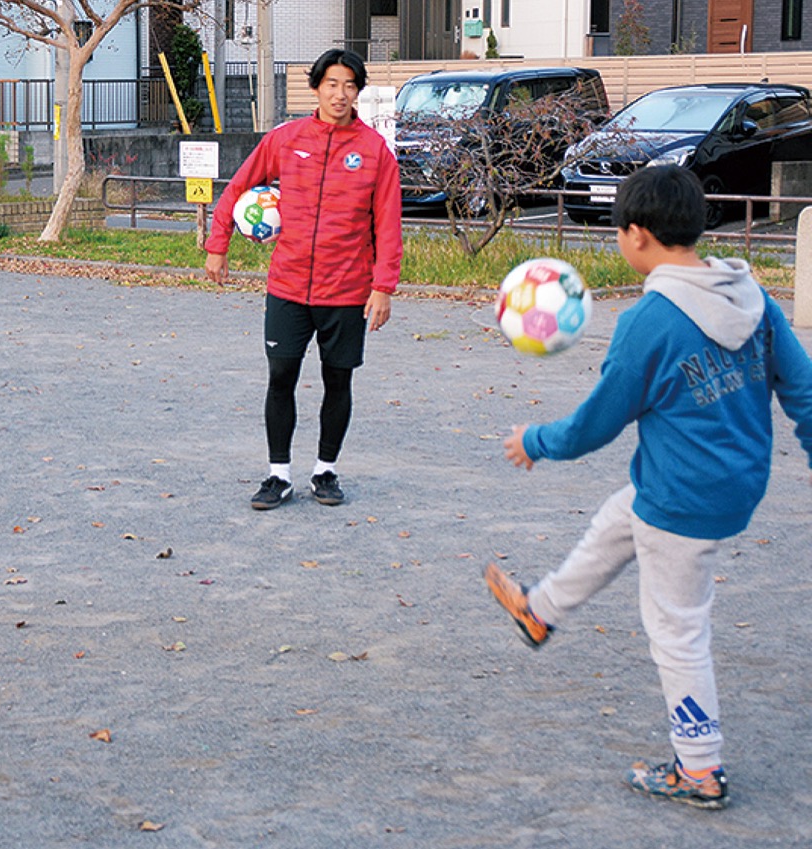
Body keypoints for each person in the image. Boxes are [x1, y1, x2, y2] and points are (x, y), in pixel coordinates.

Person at [484, 164, 812, 810]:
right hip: (728, 482)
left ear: (635, 234)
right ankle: (541, 609)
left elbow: (593, 426)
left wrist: (535, 441)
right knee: (621, 514)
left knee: (678, 629)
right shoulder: (751, 294)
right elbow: (801, 387)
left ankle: (699, 768)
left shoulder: (650, 322)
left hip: (685, 500)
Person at [204, 48, 403, 510]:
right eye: (331, 84)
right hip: (288, 286)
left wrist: (383, 287)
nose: (340, 94)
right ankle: (278, 475)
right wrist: (218, 243)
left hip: (347, 289)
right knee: (281, 376)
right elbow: (237, 188)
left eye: (349, 86)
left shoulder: (374, 152)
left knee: (338, 381)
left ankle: (325, 470)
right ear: (316, 88)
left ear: (358, 92)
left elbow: (388, 224)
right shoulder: (285, 139)